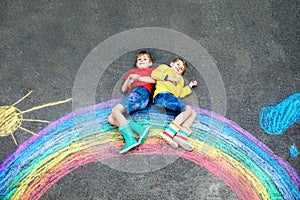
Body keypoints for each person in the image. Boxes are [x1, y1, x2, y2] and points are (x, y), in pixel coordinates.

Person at [108, 51, 155, 154]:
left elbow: (154, 80)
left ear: (150, 63)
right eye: (139, 59)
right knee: (111, 118)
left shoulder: (151, 70)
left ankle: (130, 139)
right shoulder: (131, 73)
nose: (141, 61)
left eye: (145, 59)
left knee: (116, 110)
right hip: (134, 96)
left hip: (141, 92)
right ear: (136, 63)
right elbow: (124, 89)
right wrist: (129, 79)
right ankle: (140, 129)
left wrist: (138, 78)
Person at [151, 58, 198, 151]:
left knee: (193, 113)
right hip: (163, 95)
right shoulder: (165, 68)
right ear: (171, 64)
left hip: (171, 99)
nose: (179, 68)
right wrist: (169, 78)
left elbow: (180, 94)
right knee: (187, 109)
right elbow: (154, 74)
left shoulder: (180, 80)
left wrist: (189, 86)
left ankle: (180, 137)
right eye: (178, 65)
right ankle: (168, 133)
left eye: (181, 69)